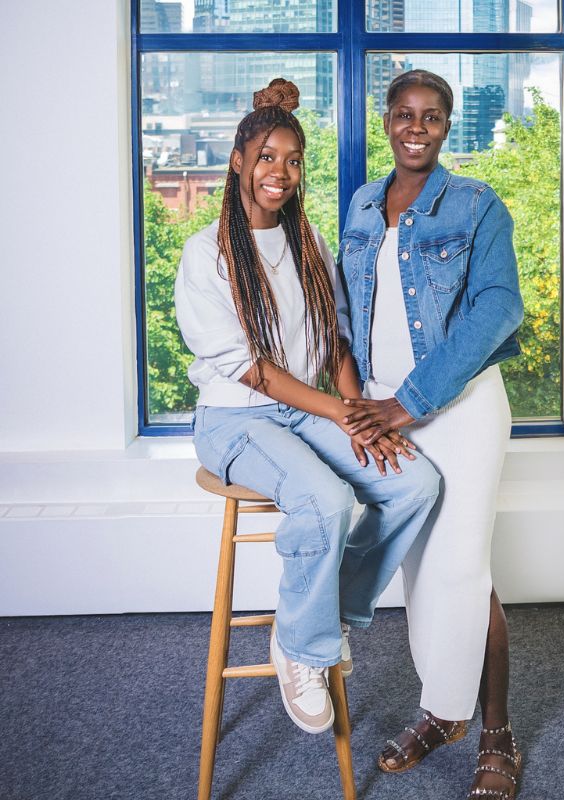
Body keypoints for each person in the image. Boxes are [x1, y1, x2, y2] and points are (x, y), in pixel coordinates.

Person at [174, 78, 440, 736]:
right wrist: (340, 413)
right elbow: (254, 372)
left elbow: (336, 339)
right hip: (234, 420)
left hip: (305, 413)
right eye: (266, 157)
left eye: (293, 161)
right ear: (237, 161)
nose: (280, 172)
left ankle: (321, 616)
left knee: (414, 482)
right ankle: (303, 648)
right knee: (324, 499)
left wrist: (359, 413)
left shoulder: (308, 242)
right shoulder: (204, 253)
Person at [338, 70, 524, 798]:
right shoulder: (361, 204)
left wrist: (408, 402)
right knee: (419, 571)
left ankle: (497, 734)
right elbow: (345, 317)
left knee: (462, 570)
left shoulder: (477, 205)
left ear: (447, 126)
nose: (416, 128)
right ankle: (441, 714)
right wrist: (360, 404)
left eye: (432, 117)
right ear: (387, 121)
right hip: (385, 412)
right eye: (405, 114)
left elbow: (498, 309)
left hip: (459, 409)